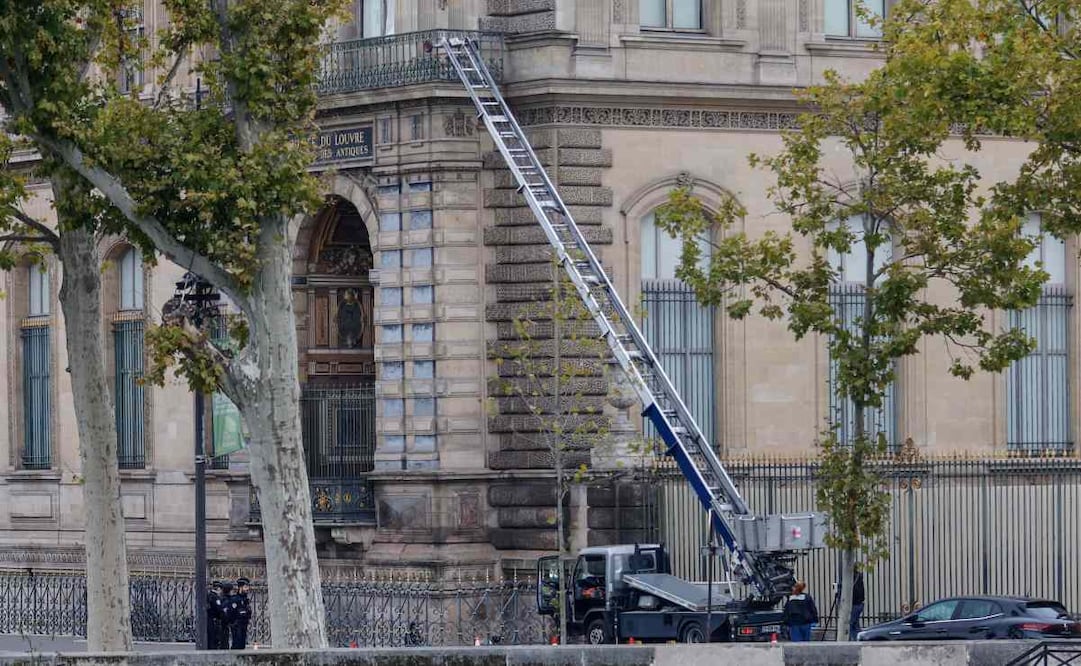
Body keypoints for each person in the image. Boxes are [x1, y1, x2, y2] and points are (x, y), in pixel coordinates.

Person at [230, 577, 252, 650]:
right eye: (245, 587)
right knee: (237, 644)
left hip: (244, 624)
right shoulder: (235, 599)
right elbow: (232, 613)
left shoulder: (245, 599)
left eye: (248, 587)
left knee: (242, 645)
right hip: (237, 625)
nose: (247, 589)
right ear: (240, 587)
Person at [216, 581, 235, 649]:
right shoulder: (227, 600)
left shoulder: (222, 598)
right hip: (224, 624)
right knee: (224, 643)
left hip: (223, 624)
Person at [206, 581, 225, 650]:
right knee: (214, 638)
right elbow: (219, 608)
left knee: (210, 637)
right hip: (214, 620)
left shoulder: (209, 595)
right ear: (218, 589)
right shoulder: (215, 597)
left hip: (209, 619)